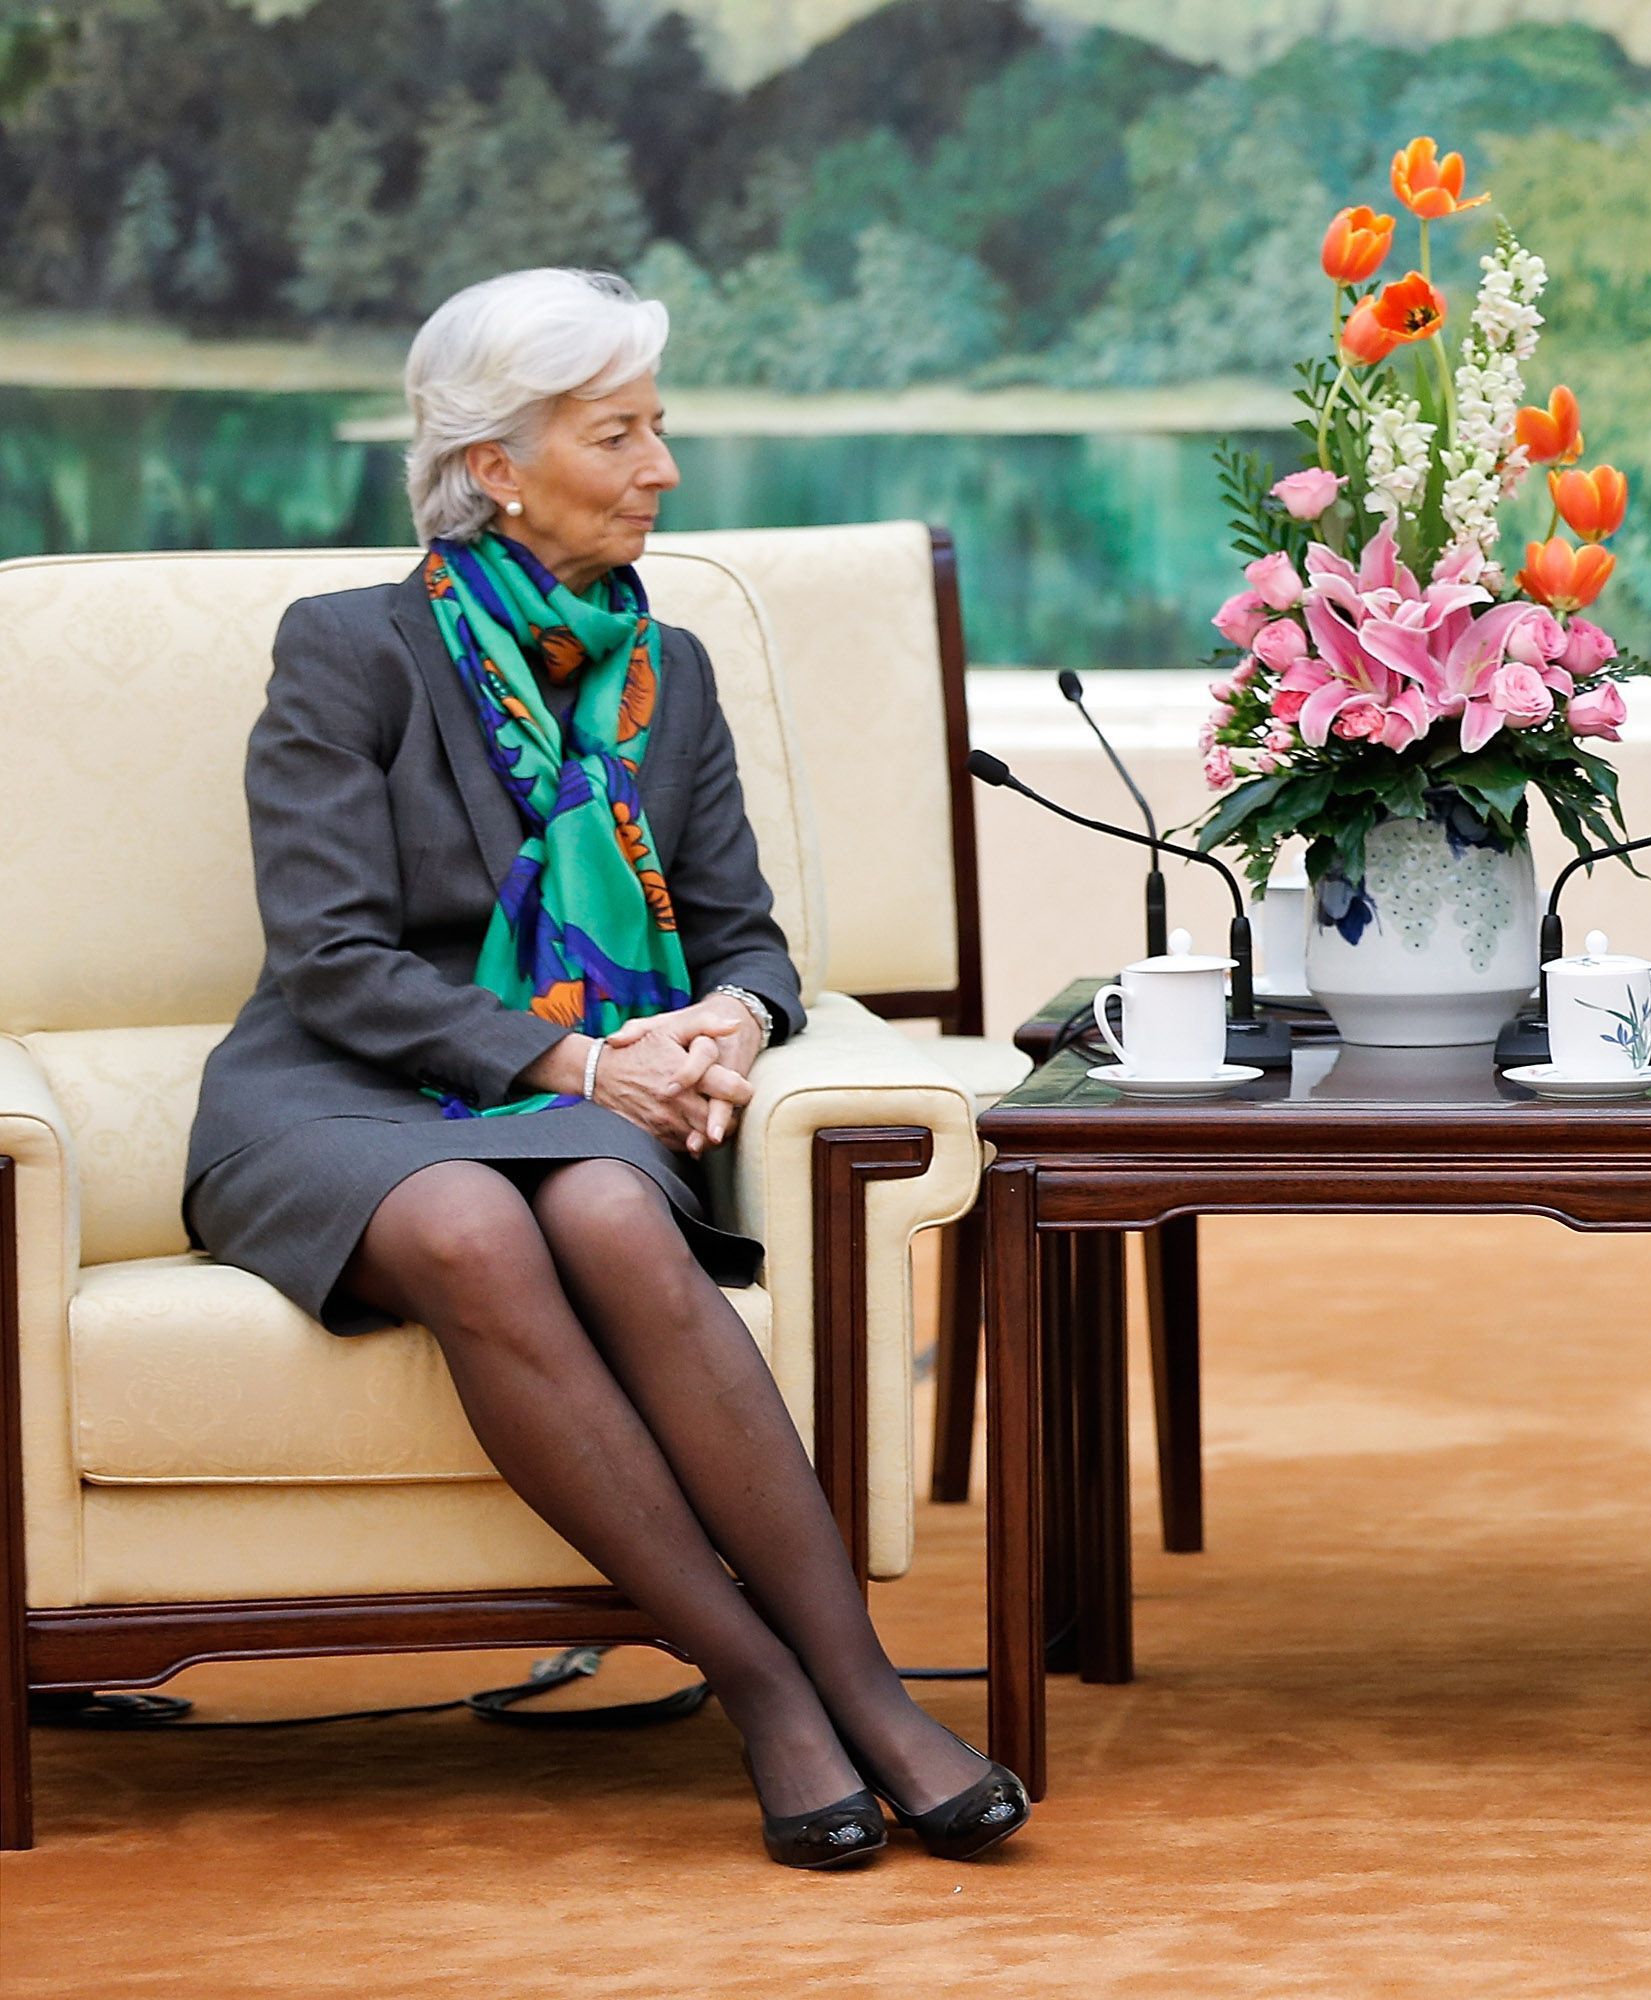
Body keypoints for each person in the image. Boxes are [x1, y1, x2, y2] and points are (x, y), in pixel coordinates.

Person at [182, 268, 1027, 1871]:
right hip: (340, 1093)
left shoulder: (669, 673)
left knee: (622, 1224)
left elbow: (748, 937)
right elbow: (332, 960)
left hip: (574, 1095)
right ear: (496, 465)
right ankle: (774, 1689)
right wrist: (576, 1059)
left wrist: (733, 1023)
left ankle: (862, 1683)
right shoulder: (348, 652)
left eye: (660, 428)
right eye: (619, 434)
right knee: (469, 1228)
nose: (665, 470)